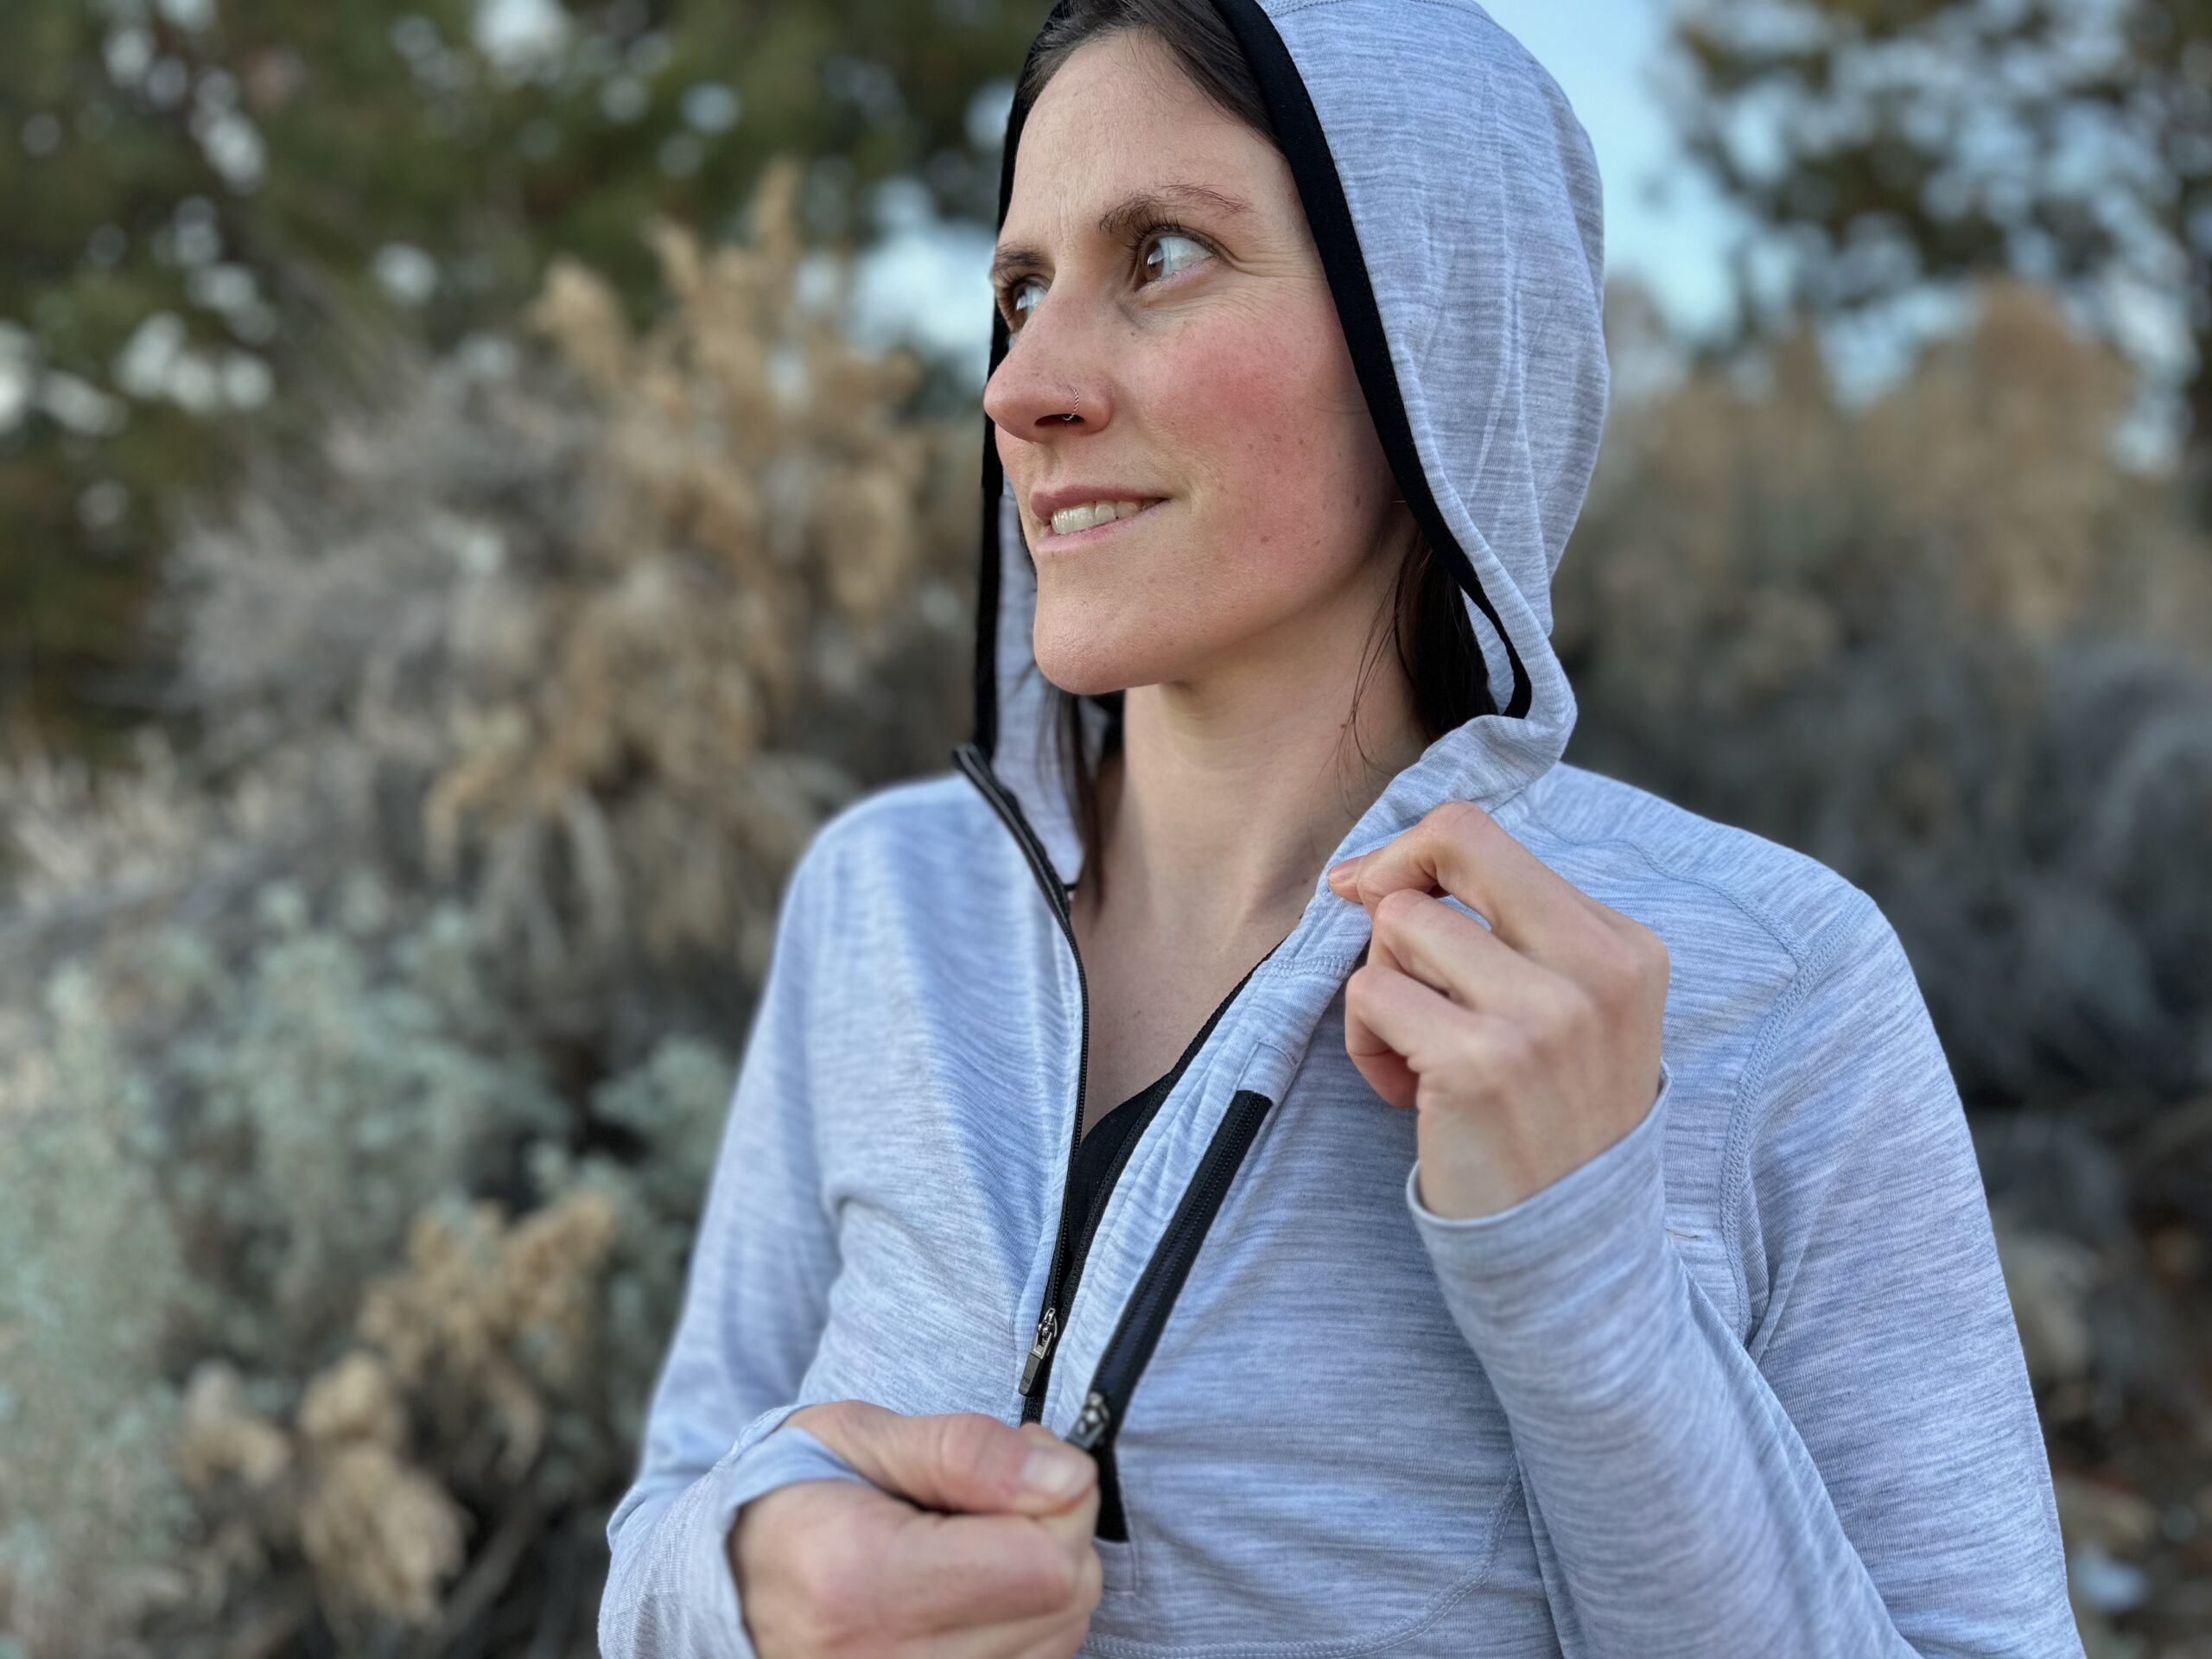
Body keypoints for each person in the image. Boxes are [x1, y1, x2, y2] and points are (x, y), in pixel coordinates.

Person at [599, 1, 2086, 1654]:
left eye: (1159, 255)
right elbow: (671, 1504)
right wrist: (740, 1585)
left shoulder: (1774, 985)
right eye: (1018, 292)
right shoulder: (883, 899)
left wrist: (1586, 1280)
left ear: (1432, 326)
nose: (1025, 386)